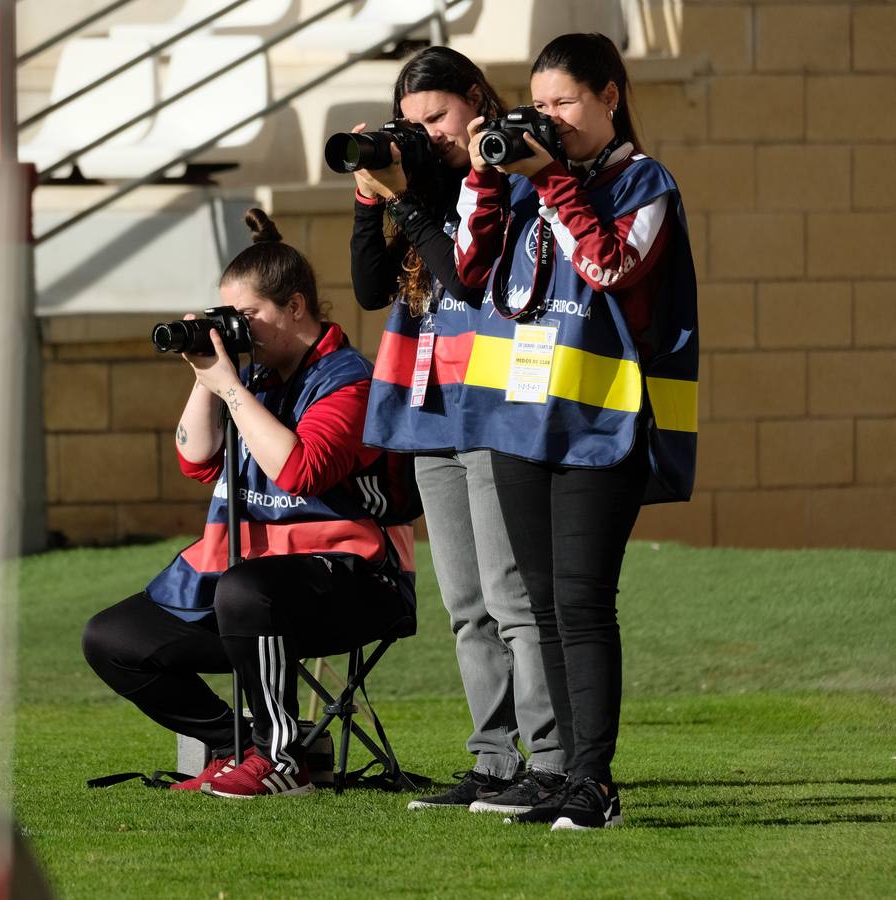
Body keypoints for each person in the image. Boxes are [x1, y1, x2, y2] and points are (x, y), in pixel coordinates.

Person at [82, 209, 417, 799]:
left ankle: (282, 759)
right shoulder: (254, 377)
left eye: (246, 317)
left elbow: (300, 471)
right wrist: (205, 376)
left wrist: (233, 388)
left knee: (244, 587)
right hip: (251, 590)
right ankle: (231, 746)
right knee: (113, 639)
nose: (236, 331)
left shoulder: (350, 380)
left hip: (352, 582)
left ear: (295, 307)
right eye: (226, 317)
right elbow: (197, 459)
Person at [454, 32, 699, 829]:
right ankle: (562, 776)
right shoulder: (527, 184)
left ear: (610, 97)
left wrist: (553, 180)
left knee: (585, 604)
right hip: (519, 419)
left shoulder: (644, 183)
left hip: (602, 425)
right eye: (540, 104)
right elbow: (467, 271)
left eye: (565, 103)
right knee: (545, 605)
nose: (550, 118)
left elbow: (611, 267)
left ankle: (595, 783)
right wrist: (487, 181)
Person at [349, 46, 566, 813]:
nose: (426, 135)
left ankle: (553, 761)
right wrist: (369, 197)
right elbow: (373, 288)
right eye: (410, 123)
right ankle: (494, 763)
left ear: (476, 99)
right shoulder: (428, 182)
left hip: (496, 401)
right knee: (466, 603)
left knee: (512, 597)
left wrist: (408, 202)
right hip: (432, 406)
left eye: (436, 117)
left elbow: (462, 270)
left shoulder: (505, 169)